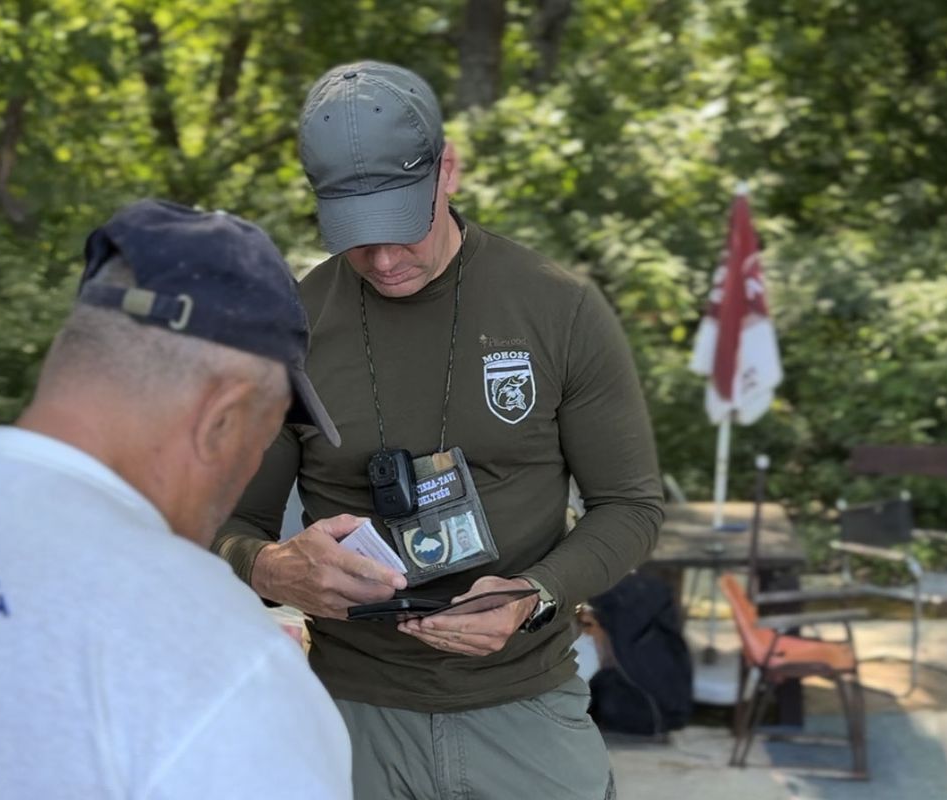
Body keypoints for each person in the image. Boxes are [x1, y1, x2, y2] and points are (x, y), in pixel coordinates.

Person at [214, 62, 664, 800]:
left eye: (403, 226)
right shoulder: (287, 328)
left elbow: (631, 506)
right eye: (357, 236)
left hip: (525, 711)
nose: (385, 260)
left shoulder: (557, 309)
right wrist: (268, 569)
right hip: (351, 716)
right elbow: (224, 525)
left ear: (447, 169)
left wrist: (535, 593)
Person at [0, 200, 352, 800]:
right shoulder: (220, 658)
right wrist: (248, 673)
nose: (252, 466)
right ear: (221, 420)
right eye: (263, 437)